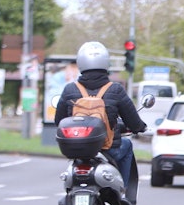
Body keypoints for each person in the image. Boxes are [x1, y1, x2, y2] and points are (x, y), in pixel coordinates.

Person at [55, 41, 148, 196]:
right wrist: (141, 127)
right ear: (106, 62)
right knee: (126, 145)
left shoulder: (70, 90)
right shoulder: (115, 90)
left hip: (77, 151)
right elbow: (133, 122)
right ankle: (122, 191)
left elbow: (59, 120)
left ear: (81, 62)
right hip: (108, 149)